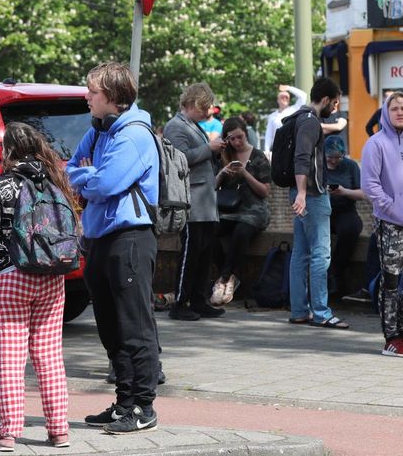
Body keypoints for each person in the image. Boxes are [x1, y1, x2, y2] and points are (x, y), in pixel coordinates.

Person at [67, 62, 162, 435]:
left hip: (130, 239)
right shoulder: (99, 131)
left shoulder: (133, 134)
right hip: (100, 238)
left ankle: (144, 405)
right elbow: (71, 168)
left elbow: (104, 184)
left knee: (134, 324)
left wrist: (89, 177)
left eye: (93, 92)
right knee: (109, 325)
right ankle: (125, 402)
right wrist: (88, 175)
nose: (87, 97)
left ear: (113, 97)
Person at [0, 123, 73, 451]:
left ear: (9, 150)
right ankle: (59, 431)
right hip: (52, 278)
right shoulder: (56, 182)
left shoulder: (0, 186)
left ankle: (9, 432)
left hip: (11, 277)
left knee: (11, 357)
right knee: (49, 355)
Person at [362, 91, 403, 356]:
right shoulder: (375, 144)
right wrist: (391, 206)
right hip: (390, 224)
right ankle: (391, 336)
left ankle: (402, 330)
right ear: (385, 114)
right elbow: (369, 185)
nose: (400, 112)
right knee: (391, 281)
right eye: (395, 109)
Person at [289, 78, 348, 330]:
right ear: (325, 100)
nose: (334, 108)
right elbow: (302, 157)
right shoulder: (310, 121)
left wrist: (334, 127)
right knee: (320, 254)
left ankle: (300, 310)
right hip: (312, 194)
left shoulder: (300, 117)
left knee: (300, 254)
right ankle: (322, 312)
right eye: (334, 103)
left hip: (301, 192)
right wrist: (302, 193)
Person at [164, 82, 225, 321]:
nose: (208, 111)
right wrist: (209, 148)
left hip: (205, 201)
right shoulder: (175, 127)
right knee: (190, 254)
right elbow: (178, 160)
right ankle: (180, 302)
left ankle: (198, 299)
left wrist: (214, 151)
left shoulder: (193, 125)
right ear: (191, 103)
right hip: (191, 201)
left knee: (204, 254)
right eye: (204, 106)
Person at [212, 116, 271, 306]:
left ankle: (223, 279)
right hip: (231, 210)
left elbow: (264, 191)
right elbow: (212, 188)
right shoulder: (224, 156)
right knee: (209, 231)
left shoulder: (258, 156)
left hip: (254, 210)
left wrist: (245, 173)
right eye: (232, 139)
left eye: (239, 137)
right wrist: (222, 173)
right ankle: (230, 278)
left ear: (246, 133)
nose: (236, 142)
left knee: (242, 231)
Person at [324, 136, 362, 296]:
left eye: (337, 157)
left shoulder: (351, 166)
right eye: (330, 157)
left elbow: (362, 193)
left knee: (351, 229)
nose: (333, 161)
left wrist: (343, 191)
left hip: (345, 209)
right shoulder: (318, 165)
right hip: (324, 210)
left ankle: (335, 272)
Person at [264, 84, 307, 154]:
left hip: (292, 146)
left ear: (289, 100)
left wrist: (288, 88)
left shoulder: (294, 109)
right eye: (282, 97)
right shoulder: (272, 116)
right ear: (277, 100)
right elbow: (269, 134)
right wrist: (267, 150)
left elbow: (303, 96)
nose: (284, 98)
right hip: (278, 147)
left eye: (286, 97)